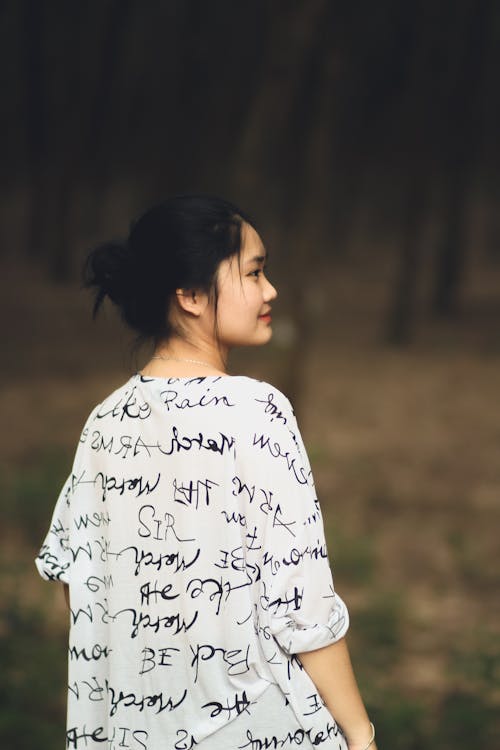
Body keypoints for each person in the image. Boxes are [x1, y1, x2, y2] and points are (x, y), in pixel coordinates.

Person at [35, 195, 378, 750]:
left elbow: (81, 594)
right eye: (255, 271)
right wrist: (360, 733)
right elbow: (301, 609)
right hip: (260, 730)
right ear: (190, 295)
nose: (271, 291)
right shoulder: (258, 410)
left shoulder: (104, 423)